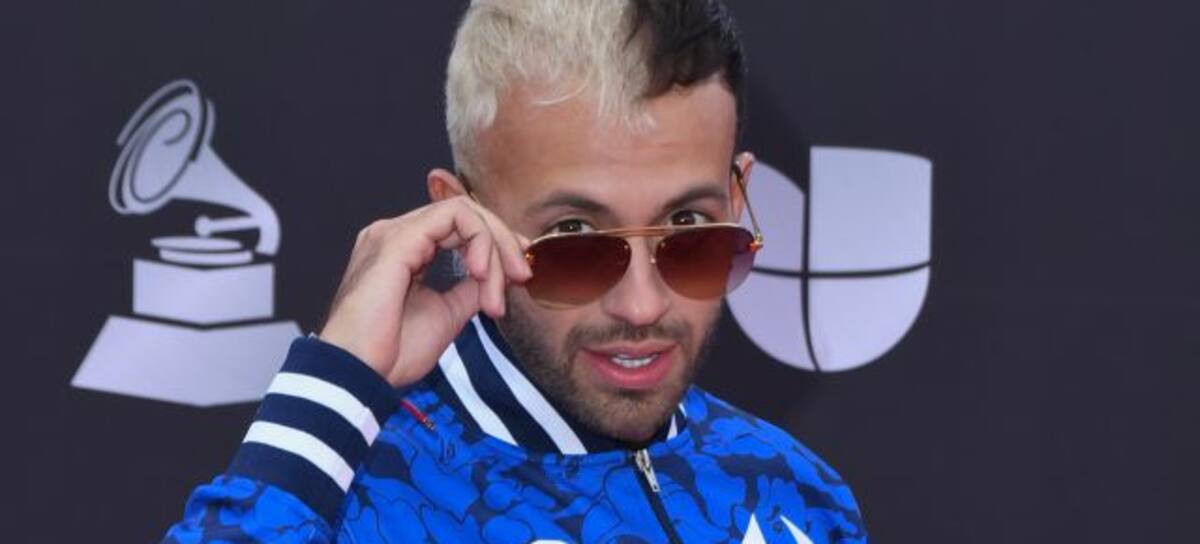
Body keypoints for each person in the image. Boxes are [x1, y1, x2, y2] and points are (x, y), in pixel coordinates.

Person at [163, 1, 867, 542]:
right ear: (459, 217)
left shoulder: (797, 491)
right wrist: (334, 381)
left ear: (739, 200)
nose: (643, 306)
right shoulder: (355, 501)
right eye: (574, 239)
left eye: (689, 229)